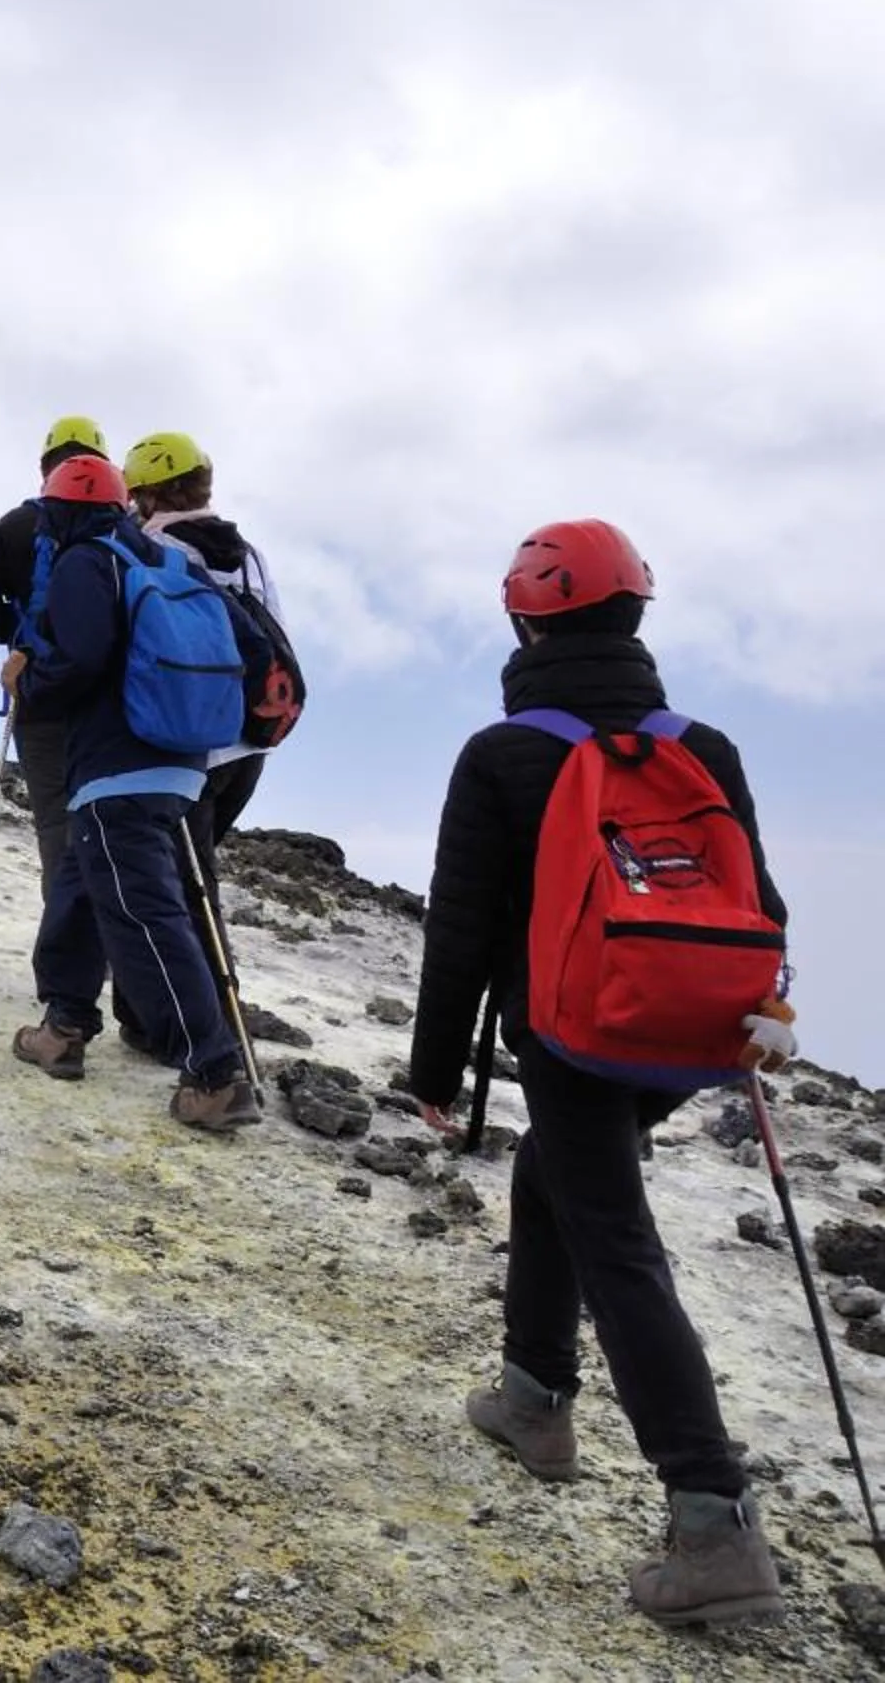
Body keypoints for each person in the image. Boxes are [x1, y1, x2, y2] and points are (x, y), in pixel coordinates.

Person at [403, 520, 788, 1627]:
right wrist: (764, 1016)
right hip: (692, 1033)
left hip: (572, 1037)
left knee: (615, 1241)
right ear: (634, 618)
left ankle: (713, 1524)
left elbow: (460, 932)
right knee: (557, 1176)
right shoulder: (701, 746)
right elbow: (758, 900)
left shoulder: (503, 755)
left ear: (524, 623)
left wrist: (435, 1071)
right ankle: (533, 1396)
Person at [0, 454, 260, 1131]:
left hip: (118, 766)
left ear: (60, 513)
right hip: (181, 760)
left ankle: (215, 1073)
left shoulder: (85, 561)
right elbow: (252, 646)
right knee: (80, 891)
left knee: (143, 918)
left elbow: (82, 659)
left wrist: (28, 681)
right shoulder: (172, 560)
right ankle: (64, 1025)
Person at [124, 430, 283, 987]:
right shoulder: (249, 554)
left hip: (188, 743)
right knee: (188, 882)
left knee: (186, 892)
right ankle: (162, 1008)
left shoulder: (158, 549)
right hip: (252, 741)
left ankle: (214, 1013)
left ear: (150, 493)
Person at [0, 416, 110, 900]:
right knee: (112, 823)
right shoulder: (122, 531)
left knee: (56, 824)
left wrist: (22, 641)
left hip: (38, 693)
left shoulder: (15, 525)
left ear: (45, 468)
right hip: (109, 699)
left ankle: (67, 935)